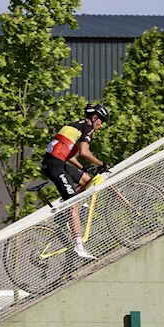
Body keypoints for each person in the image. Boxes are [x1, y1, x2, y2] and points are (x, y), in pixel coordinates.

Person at [41, 103, 111, 260]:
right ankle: (78, 246)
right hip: (55, 166)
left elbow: (70, 154)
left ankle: (74, 208)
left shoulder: (76, 126)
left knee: (87, 179)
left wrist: (82, 167)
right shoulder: (87, 128)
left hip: (57, 163)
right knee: (74, 204)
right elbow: (85, 152)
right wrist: (102, 164)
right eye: (101, 122)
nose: (101, 126)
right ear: (94, 118)